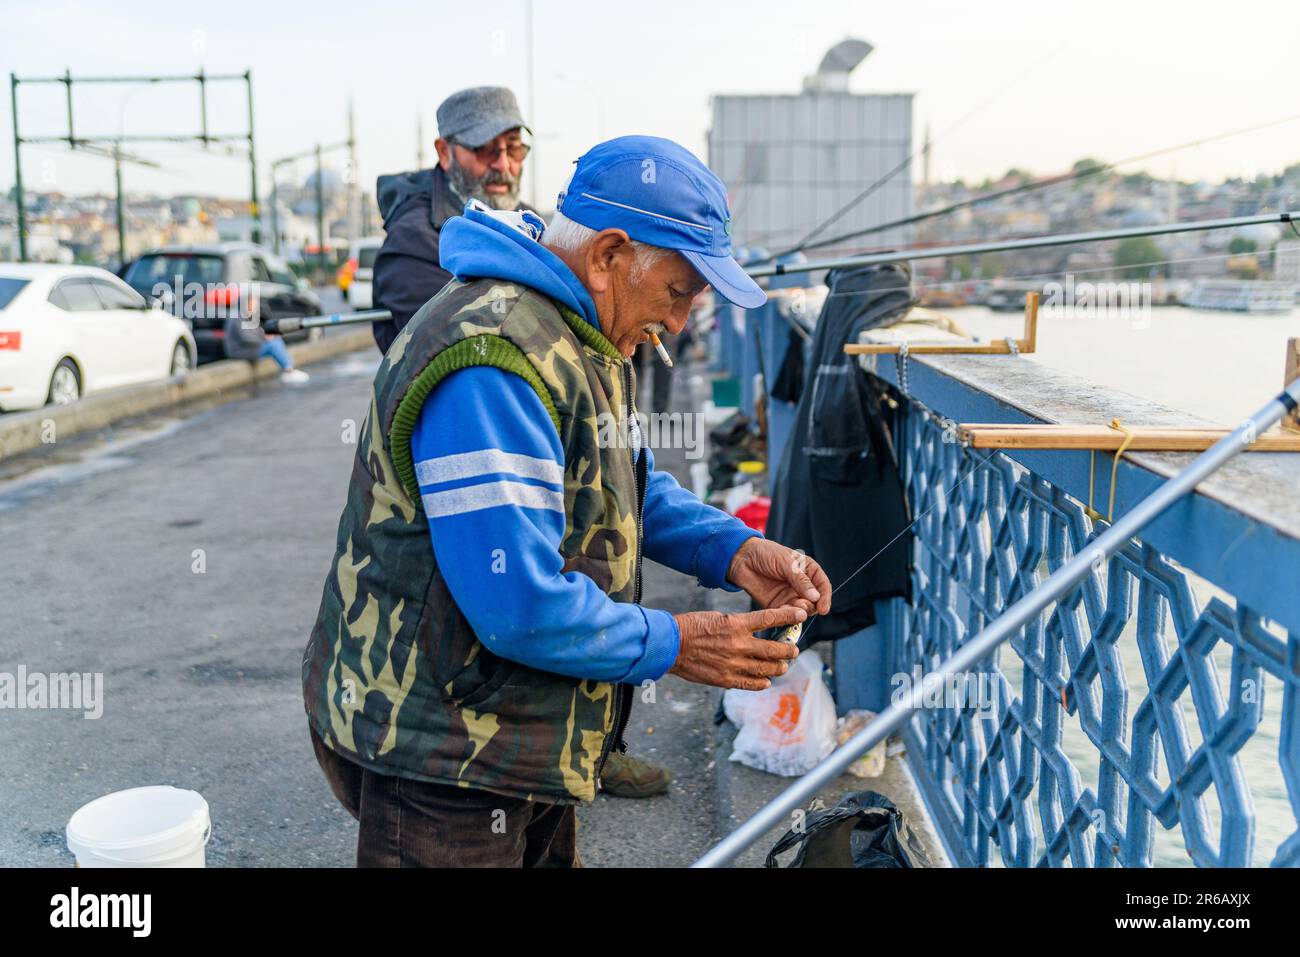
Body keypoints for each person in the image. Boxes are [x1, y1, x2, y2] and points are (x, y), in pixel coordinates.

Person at [302, 136, 832, 867]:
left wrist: (734, 548)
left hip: (524, 732)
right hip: (442, 752)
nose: (679, 323)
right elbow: (518, 603)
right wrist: (678, 642)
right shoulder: (493, 360)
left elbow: (623, 482)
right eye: (678, 292)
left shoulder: (575, 325)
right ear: (609, 255)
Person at [369, 86, 534, 355]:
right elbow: (459, 346)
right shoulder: (414, 239)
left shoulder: (528, 221)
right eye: (486, 149)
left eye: (514, 148)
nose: (503, 165)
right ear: (444, 152)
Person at [222, 310, 308, 384]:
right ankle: (289, 370)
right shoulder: (237, 319)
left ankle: (289, 368)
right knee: (273, 344)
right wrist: (264, 338)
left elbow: (257, 332)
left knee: (276, 340)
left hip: (248, 349)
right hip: (241, 351)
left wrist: (267, 335)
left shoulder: (245, 317)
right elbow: (247, 339)